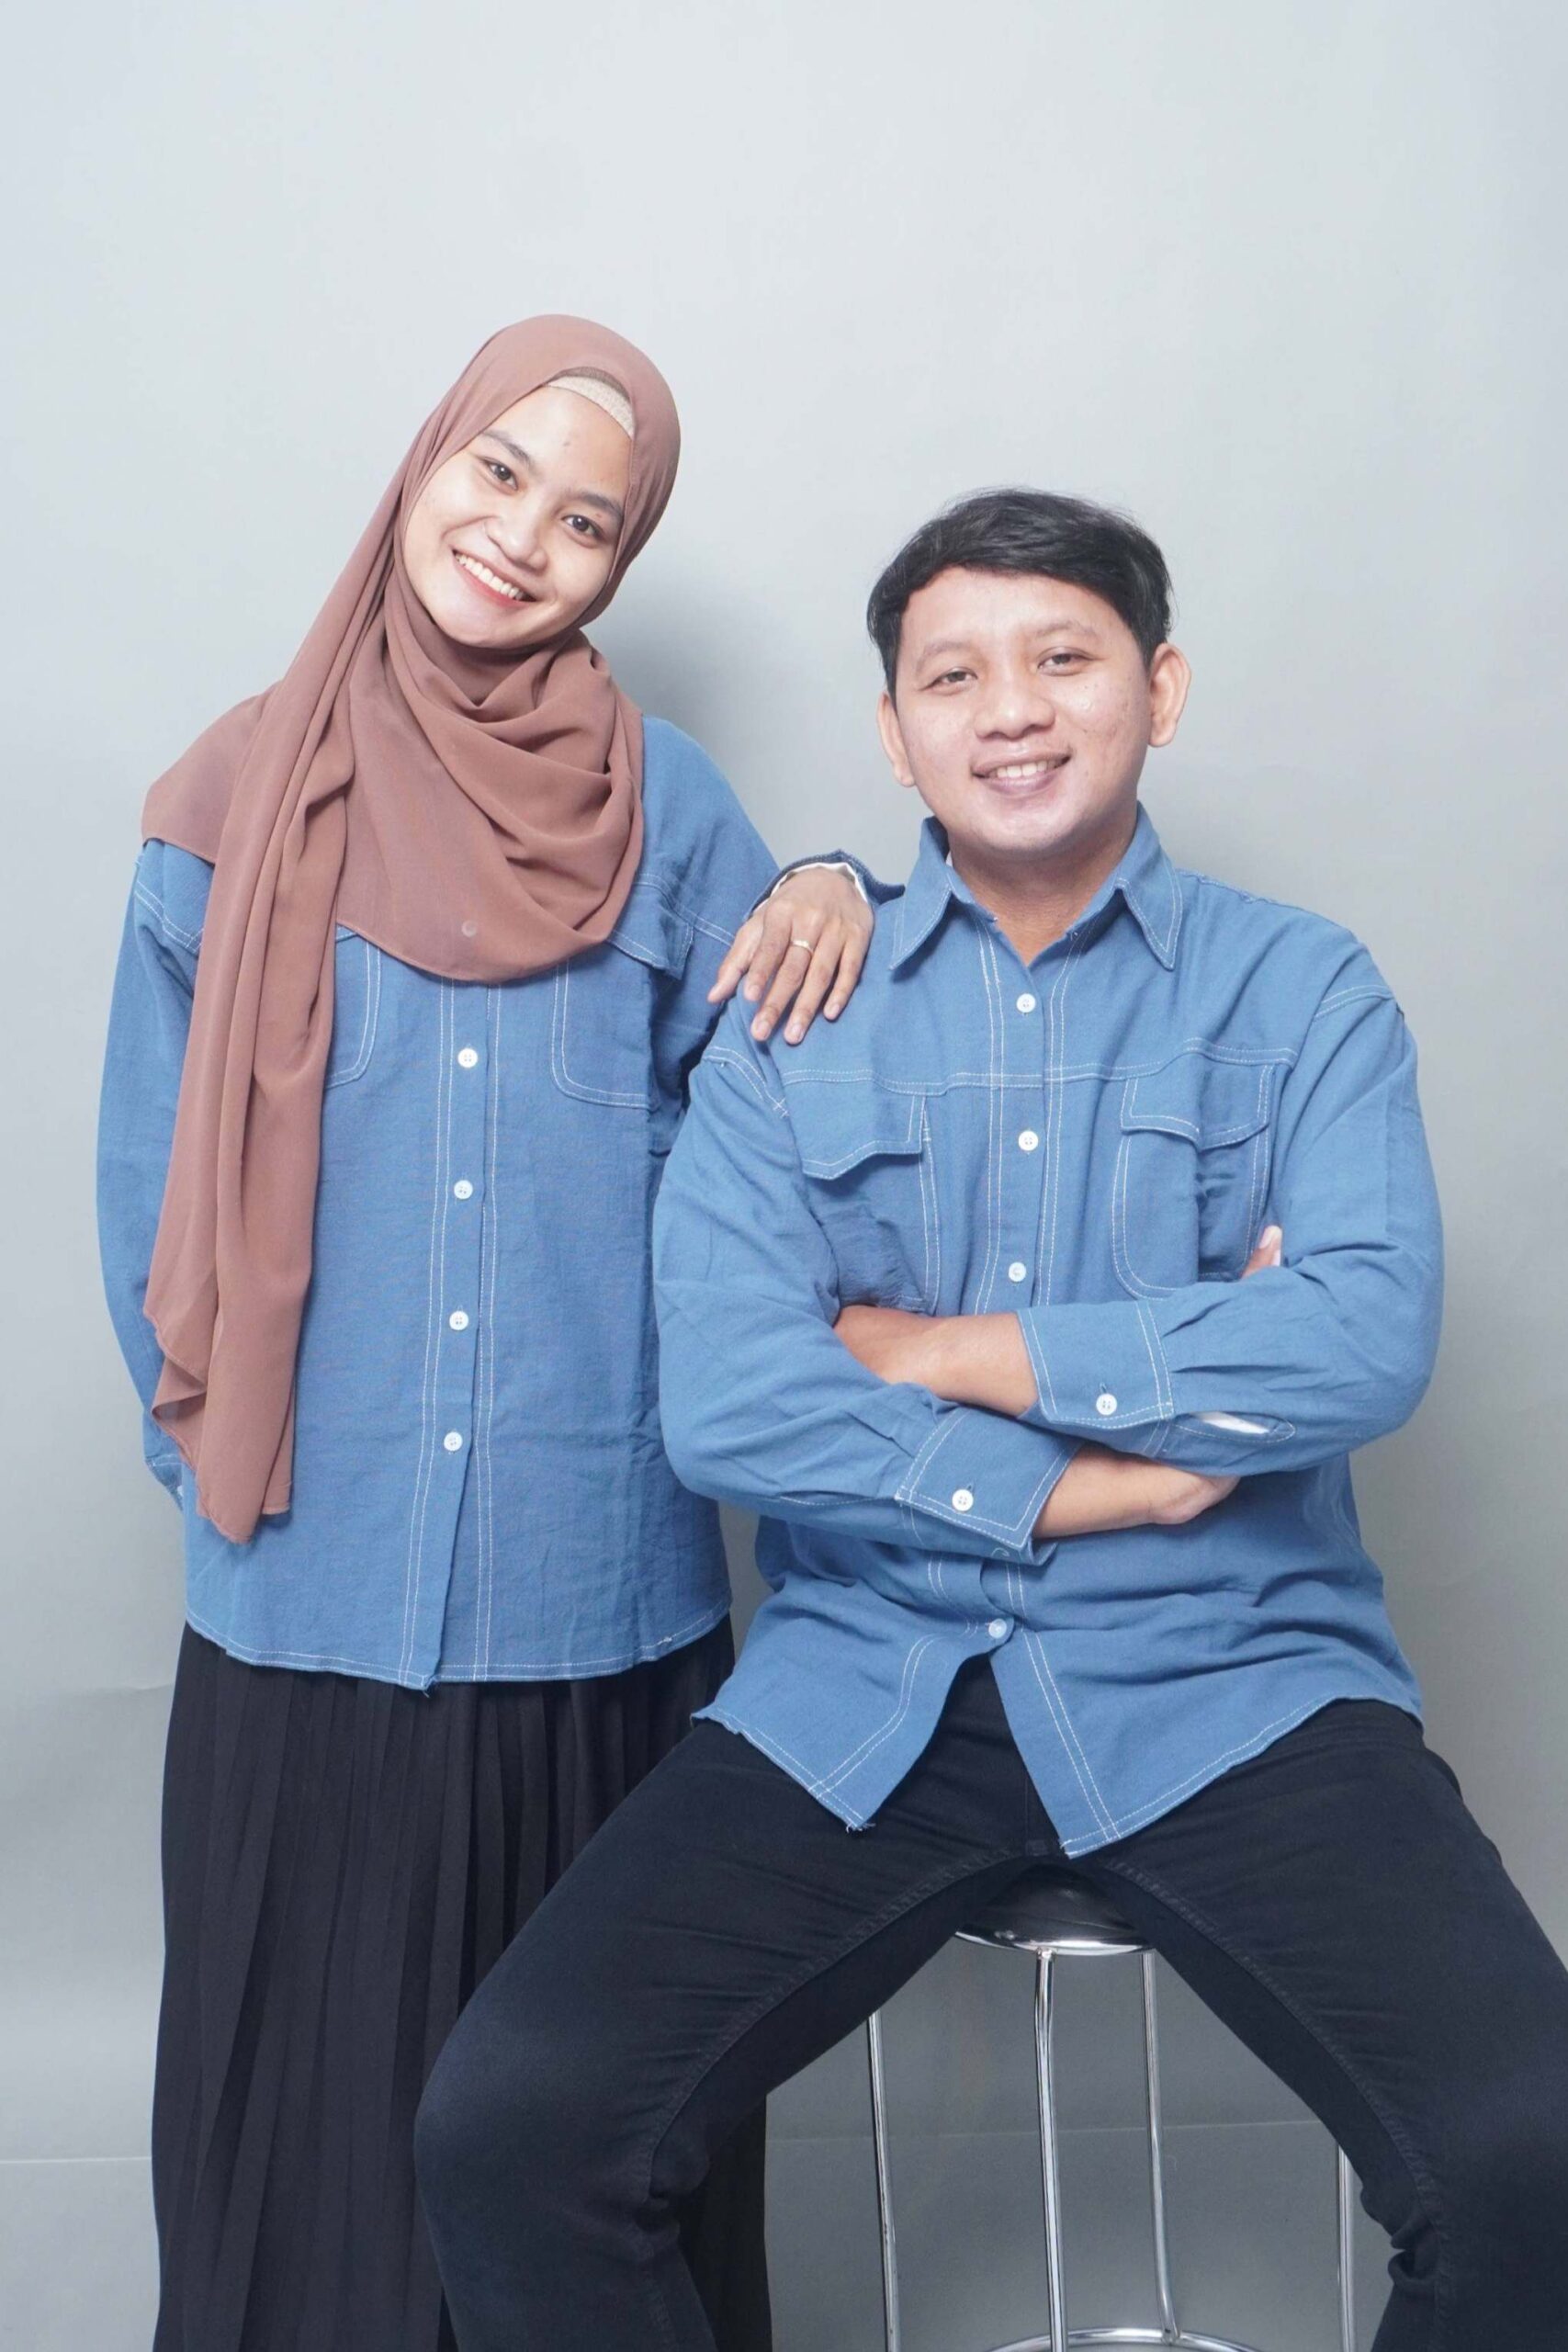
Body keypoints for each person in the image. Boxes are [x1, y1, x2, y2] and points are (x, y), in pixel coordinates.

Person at [413, 489, 1568, 2352]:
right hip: (869, 1686)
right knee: (513, 2131)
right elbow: (729, 1402)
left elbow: (1359, 1337)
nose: (1010, 709)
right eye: (951, 676)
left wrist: (941, 1351)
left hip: (1238, 1680)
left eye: (1062, 658)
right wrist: (1101, 1482)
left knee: (1535, 2158)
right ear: (894, 732)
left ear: (1157, 688)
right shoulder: (791, 1014)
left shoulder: (1302, 991)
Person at [96, 314, 879, 2352]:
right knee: (307, 2154)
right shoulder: (233, 795)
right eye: (497, 472)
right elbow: (146, 1193)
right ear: (425, 464)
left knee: (588, 2163)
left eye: (587, 520)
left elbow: (797, 1152)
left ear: (620, 563)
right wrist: (248, 1484)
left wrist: (849, 883)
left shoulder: (674, 813)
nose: (523, 536)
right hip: (305, 1595)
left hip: (595, 1607)